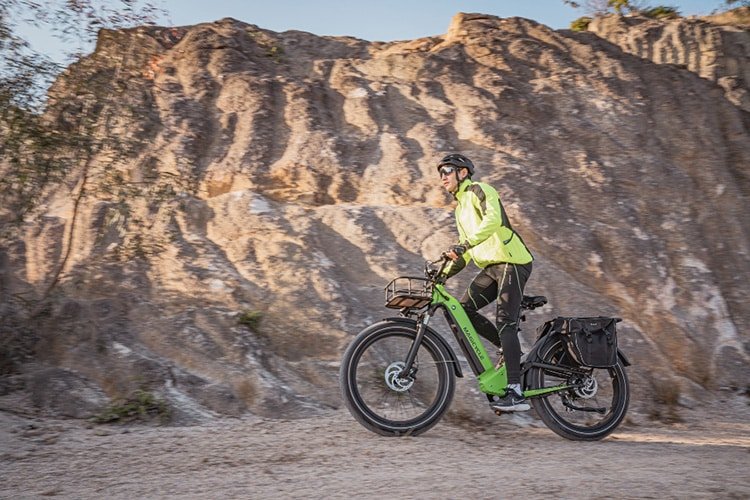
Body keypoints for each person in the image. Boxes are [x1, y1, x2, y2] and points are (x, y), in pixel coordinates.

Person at [437, 153, 534, 411]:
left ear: (463, 172)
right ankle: (506, 350)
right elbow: (465, 254)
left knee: (505, 322)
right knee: (463, 311)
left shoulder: (481, 190)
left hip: (512, 260)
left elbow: (494, 221)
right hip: (491, 266)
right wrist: (443, 274)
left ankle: (515, 391)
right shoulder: (459, 209)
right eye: (440, 173)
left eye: (447, 170)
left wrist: (464, 244)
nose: (443, 176)